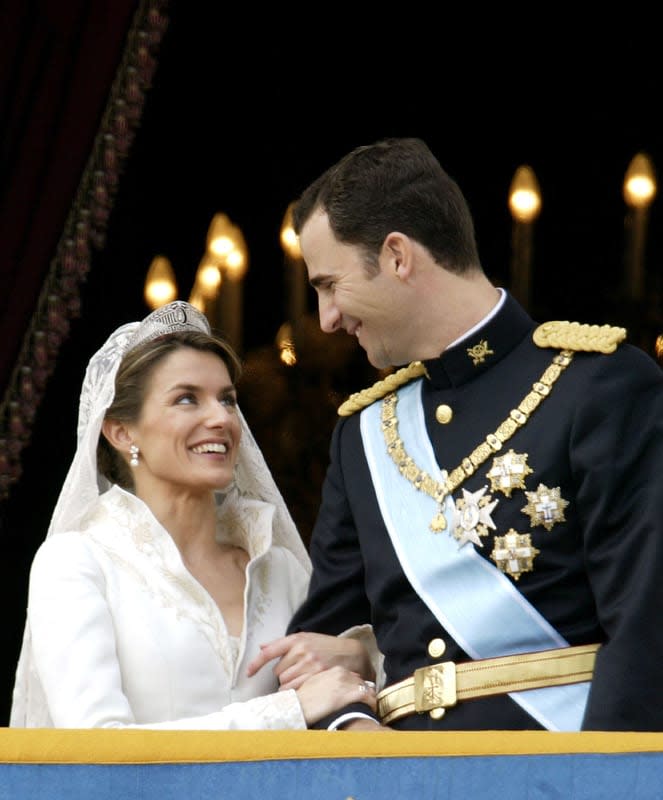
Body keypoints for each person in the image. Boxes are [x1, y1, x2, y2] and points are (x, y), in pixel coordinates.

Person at [250, 137, 663, 732]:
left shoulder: (601, 386)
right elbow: (318, 648)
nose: (326, 320)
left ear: (397, 256)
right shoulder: (364, 435)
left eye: (329, 284)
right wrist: (352, 728)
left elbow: (646, 623)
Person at [9, 300, 377, 729]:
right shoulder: (76, 563)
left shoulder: (278, 568)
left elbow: (345, 704)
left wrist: (359, 657)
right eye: (187, 399)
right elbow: (97, 751)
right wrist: (287, 712)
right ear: (121, 431)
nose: (221, 417)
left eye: (228, 399)